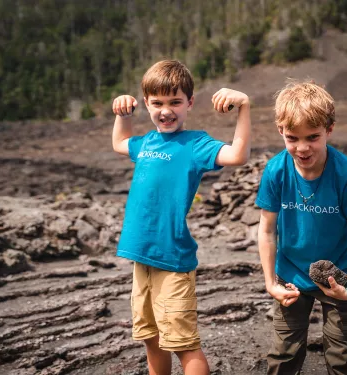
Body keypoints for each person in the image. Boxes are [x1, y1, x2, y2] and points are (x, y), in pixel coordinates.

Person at [111, 60, 251, 375]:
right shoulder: (146, 142)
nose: (166, 110)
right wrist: (122, 115)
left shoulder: (195, 144)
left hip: (172, 260)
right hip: (141, 257)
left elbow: (238, 155)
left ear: (189, 103)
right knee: (151, 338)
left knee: (183, 344)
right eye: (157, 103)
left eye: (175, 102)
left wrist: (243, 107)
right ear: (146, 103)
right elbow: (120, 143)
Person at [255, 80, 347, 375]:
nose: (302, 147)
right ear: (281, 130)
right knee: (284, 354)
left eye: (313, 137)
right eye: (292, 137)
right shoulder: (276, 171)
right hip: (290, 275)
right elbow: (267, 230)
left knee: (343, 356)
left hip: (337, 276)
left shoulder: (345, 174)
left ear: (329, 130)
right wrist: (271, 283)